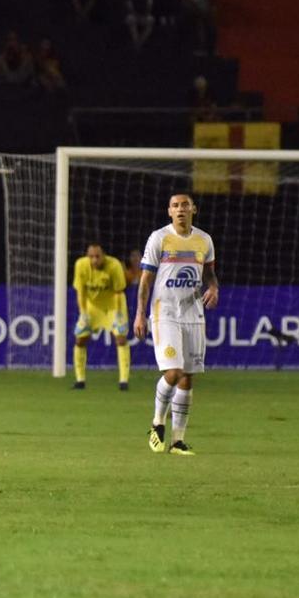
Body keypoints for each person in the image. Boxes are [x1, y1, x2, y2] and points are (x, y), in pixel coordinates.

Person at [132, 194, 219, 456]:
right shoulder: (159, 238)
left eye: (185, 205)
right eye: (175, 205)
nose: (180, 209)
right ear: (169, 211)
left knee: (187, 377)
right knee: (174, 371)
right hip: (165, 311)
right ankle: (157, 423)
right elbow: (146, 279)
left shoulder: (204, 240)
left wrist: (214, 287)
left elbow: (209, 272)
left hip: (193, 312)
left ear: (194, 209)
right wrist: (139, 314)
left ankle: (177, 441)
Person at [72, 243, 130, 391]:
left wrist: (118, 314)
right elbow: (81, 292)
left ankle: (124, 381)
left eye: (97, 256)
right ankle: (80, 380)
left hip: (113, 305)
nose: (94, 260)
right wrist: (83, 313)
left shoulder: (114, 265)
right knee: (80, 339)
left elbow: (118, 291)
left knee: (120, 339)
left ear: (103, 255)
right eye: (91, 256)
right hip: (92, 306)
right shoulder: (80, 265)